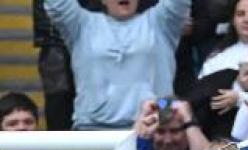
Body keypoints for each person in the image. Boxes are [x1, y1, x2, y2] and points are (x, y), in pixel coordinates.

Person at [45, 0, 190, 129]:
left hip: (153, 129)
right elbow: (57, 4)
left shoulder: (161, 22)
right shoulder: (80, 25)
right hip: (92, 131)